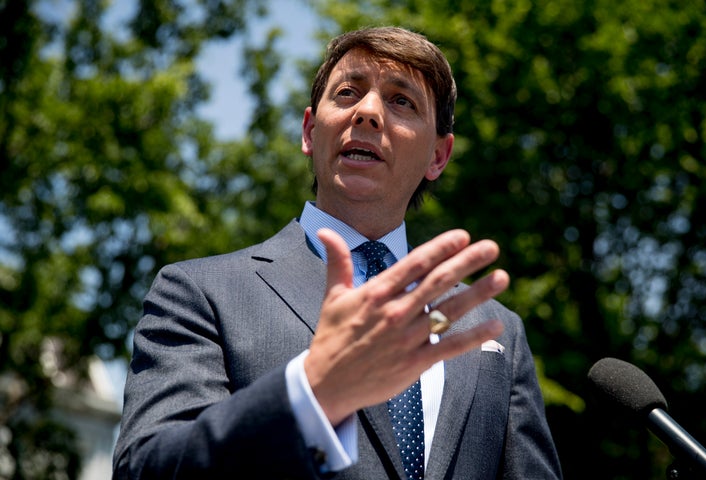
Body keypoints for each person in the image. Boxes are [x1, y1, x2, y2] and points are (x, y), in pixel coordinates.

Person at [112, 26, 562, 479]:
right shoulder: (200, 293)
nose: (367, 112)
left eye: (401, 101)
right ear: (310, 131)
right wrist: (314, 394)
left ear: (438, 157)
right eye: (348, 93)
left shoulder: (499, 331)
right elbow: (147, 468)